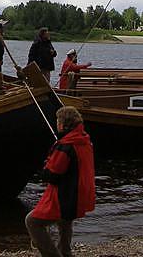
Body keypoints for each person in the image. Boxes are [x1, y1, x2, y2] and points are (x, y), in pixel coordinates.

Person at [26, 106, 96, 257]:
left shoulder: (66, 146)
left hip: (65, 194)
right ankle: (65, 252)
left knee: (32, 221)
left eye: (58, 121)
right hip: (80, 192)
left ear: (64, 124)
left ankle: (52, 254)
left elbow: (52, 175)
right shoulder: (84, 141)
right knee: (65, 221)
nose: (56, 123)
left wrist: (47, 163)